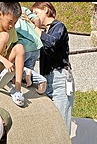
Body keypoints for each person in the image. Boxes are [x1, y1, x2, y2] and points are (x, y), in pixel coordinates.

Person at [30, 1, 74, 134]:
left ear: (46, 9)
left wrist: (35, 28)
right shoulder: (44, 32)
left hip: (60, 78)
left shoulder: (59, 26)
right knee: (49, 123)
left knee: (61, 123)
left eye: (36, 13)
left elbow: (52, 42)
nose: (35, 18)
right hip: (45, 79)